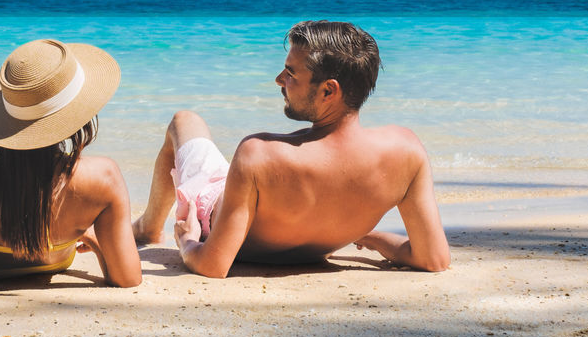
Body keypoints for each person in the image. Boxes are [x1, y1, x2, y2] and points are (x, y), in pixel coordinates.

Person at [132, 20, 450, 278]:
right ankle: (147, 225)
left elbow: (213, 265)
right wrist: (377, 237)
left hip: (219, 217)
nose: (279, 80)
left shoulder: (259, 156)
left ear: (329, 90)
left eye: (291, 74)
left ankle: (149, 228)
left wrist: (187, 240)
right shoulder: (406, 153)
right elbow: (433, 258)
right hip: (319, 243)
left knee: (183, 120)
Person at [0, 38, 142, 293]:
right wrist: (96, 238)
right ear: (79, 115)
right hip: (56, 262)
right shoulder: (105, 176)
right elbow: (128, 277)